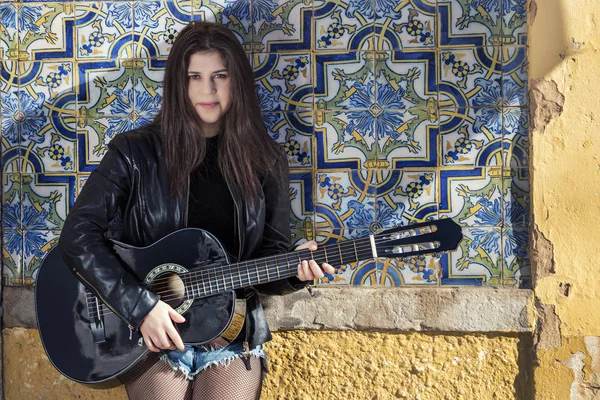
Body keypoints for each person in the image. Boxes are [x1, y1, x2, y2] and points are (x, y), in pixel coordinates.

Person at [59, 21, 334, 400]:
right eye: (195, 77)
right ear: (179, 84)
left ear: (237, 81)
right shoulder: (133, 153)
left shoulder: (266, 161)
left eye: (220, 76)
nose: (209, 90)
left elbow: (268, 260)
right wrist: (140, 307)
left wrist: (296, 271)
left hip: (229, 334)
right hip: (145, 333)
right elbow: (77, 235)